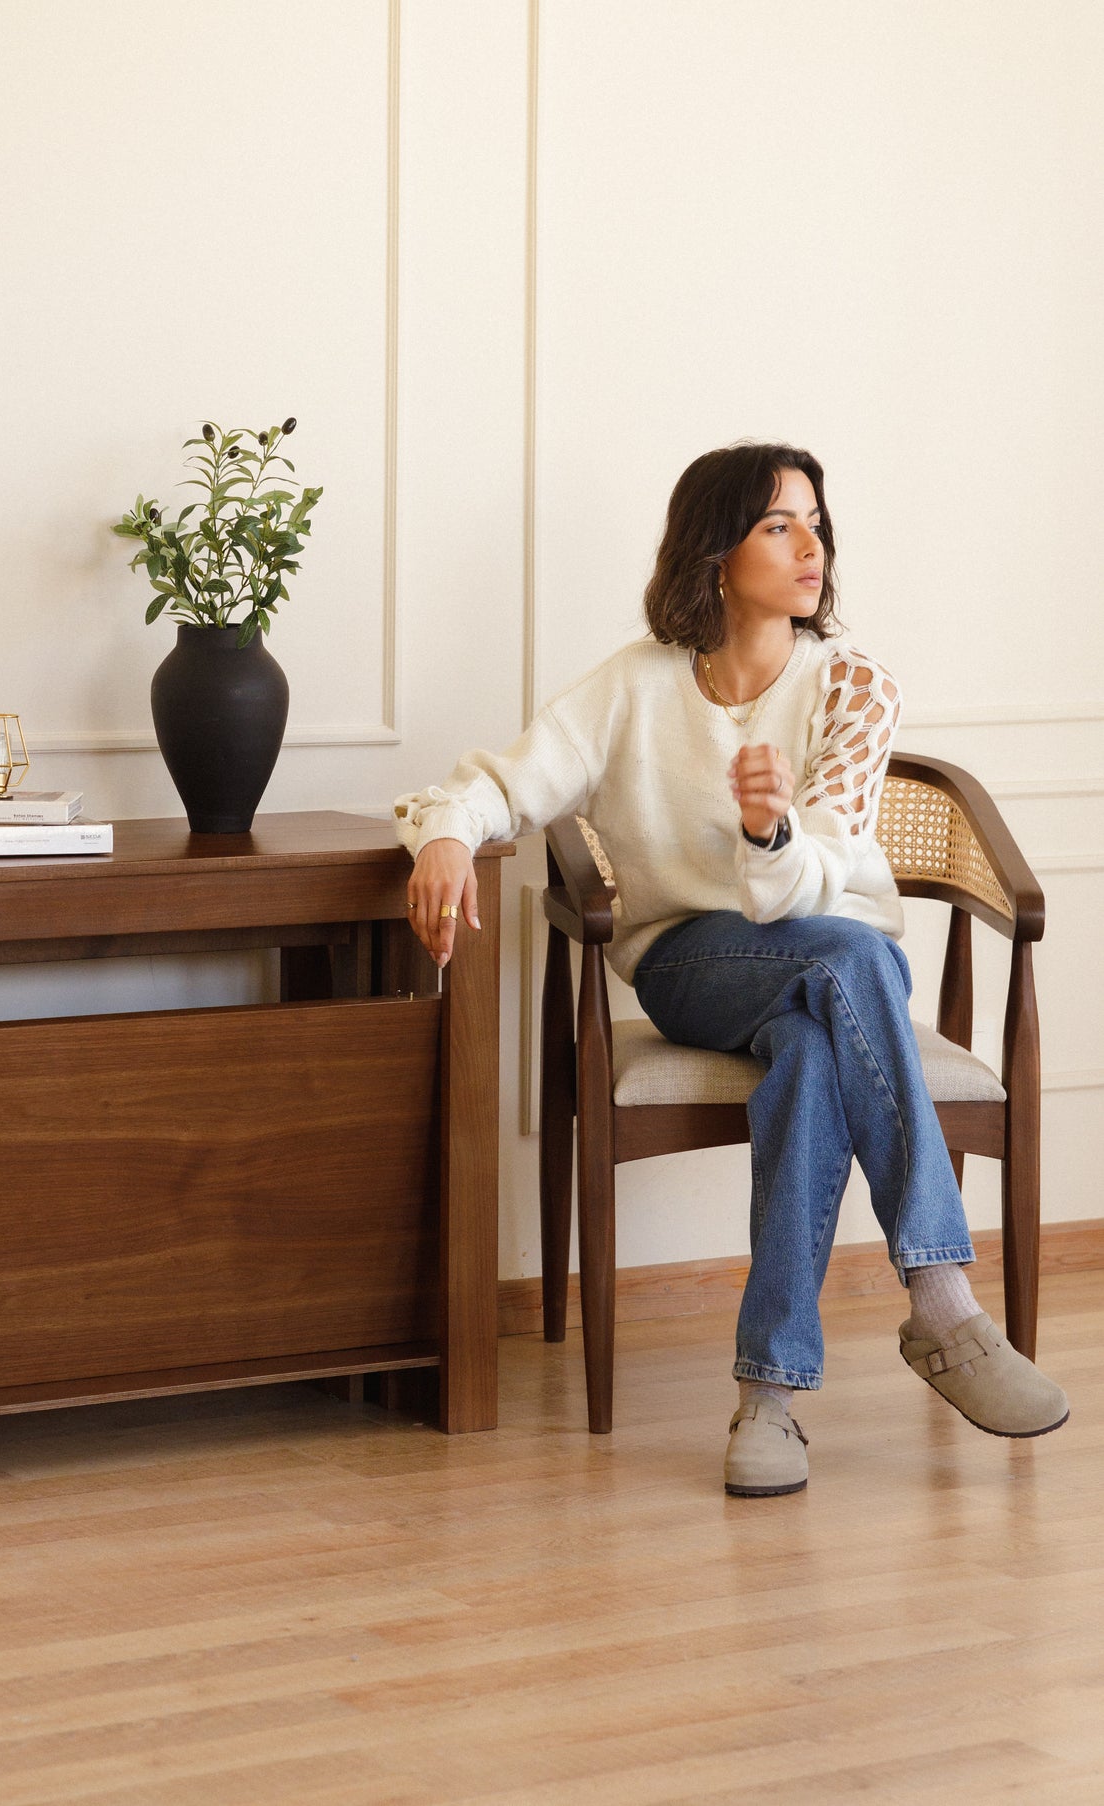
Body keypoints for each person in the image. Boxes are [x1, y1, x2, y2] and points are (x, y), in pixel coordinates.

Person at [394, 442, 1068, 1497]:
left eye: (815, 524)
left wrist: (768, 835)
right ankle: (942, 1307)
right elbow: (504, 782)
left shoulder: (852, 687)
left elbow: (823, 872)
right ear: (714, 552)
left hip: (829, 961)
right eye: (776, 525)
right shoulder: (633, 686)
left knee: (814, 1045)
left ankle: (767, 1398)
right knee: (855, 959)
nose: (810, 548)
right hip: (691, 966)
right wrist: (443, 835)